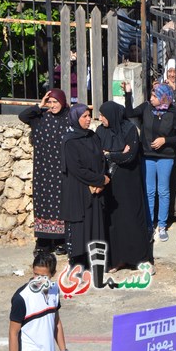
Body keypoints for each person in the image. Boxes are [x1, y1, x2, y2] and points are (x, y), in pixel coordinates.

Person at [123, 82, 176, 242]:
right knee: (149, 191)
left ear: (164, 97)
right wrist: (128, 93)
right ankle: (149, 225)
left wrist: (165, 140)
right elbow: (129, 112)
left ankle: (162, 225)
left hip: (166, 157)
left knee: (163, 191)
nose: (151, 98)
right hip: (147, 155)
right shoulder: (146, 108)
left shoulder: (174, 113)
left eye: (154, 96)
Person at [97, 101, 151, 272]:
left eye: (103, 115)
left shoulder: (129, 130)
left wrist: (110, 154)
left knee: (132, 220)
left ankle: (139, 260)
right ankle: (117, 260)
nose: (100, 118)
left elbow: (130, 156)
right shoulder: (100, 131)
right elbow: (98, 154)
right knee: (114, 223)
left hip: (129, 184)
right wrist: (118, 154)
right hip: (111, 184)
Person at [18, 89, 70, 256]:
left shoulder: (69, 118)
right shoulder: (39, 117)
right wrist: (39, 106)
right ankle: (43, 242)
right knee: (44, 205)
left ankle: (62, 240)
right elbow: (22, 116)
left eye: (56, 102)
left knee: (62, 204)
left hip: (62, 170)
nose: (53, 105)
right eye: (50, 102)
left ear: (63, 102)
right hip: (43, 171)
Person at [61, 103, 109, 268]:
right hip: (78, 189)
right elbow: (76, 169)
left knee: (95, 224)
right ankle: (78, 262)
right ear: (75, 118)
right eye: (84, 116)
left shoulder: (93, 136)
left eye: (89, 116)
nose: (89, 119)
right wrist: (99, 180)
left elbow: (102, 159)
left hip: (95, 190)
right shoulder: (69, 141)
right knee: (80, 226)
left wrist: (101, 181)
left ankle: (94, 262)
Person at [9, 252, 68, 351]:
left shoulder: (54, 290)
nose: (38, 280)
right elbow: (13, 333)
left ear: (53, 273)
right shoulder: (22, 298)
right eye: (36, 274)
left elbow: (56, 322)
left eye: (44, 276)